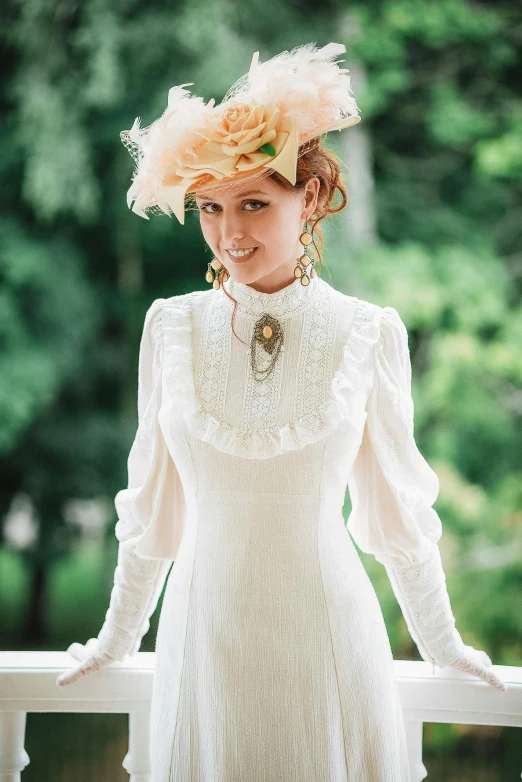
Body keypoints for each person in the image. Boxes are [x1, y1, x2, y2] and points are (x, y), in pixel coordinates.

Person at [56, 42, 506, 781]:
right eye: (210, 208)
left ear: (313, 197)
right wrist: (115, 640)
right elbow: (151, 514)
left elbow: (398, 522)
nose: (230, 234)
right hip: (203, 640)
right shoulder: (170, 328)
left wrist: (444, 645)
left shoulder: (369, 332)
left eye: (255, 203)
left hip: (327, 641)